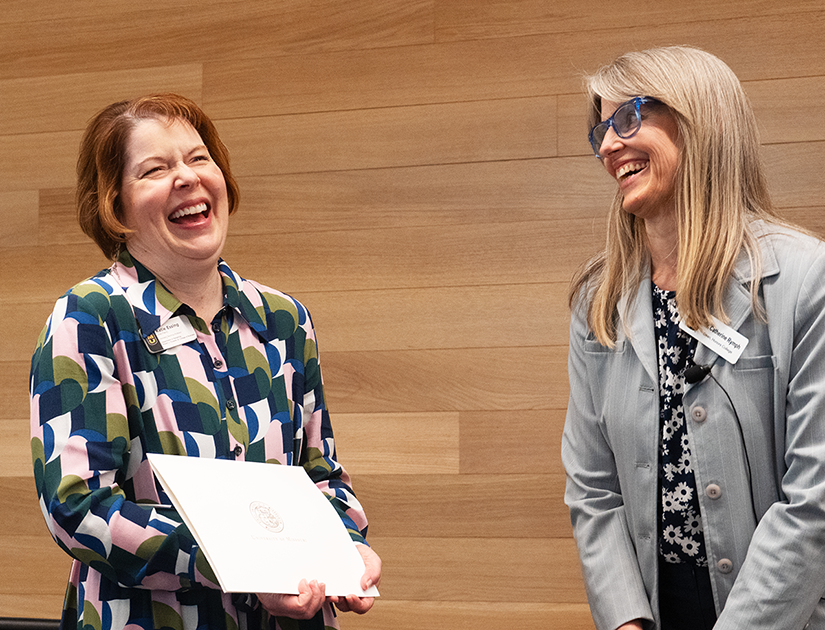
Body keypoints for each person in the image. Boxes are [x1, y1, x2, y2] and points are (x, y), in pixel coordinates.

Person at [29, 94, 381, 630]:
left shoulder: (284, 319)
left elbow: (322, 474)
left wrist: (348, 548)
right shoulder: (89, 318)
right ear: (114, 206)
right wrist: (234, 561)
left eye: (198, 158)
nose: (187, 177)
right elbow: (77, 507)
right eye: (154, 169)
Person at [562, 46, 825, 630]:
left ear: (700, 120)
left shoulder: (806, 278)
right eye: (600, 130)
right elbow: (592, 490)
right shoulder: (597, 302)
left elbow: (814, 501)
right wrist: (626, 620)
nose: (607, 145)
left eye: (627, 118)